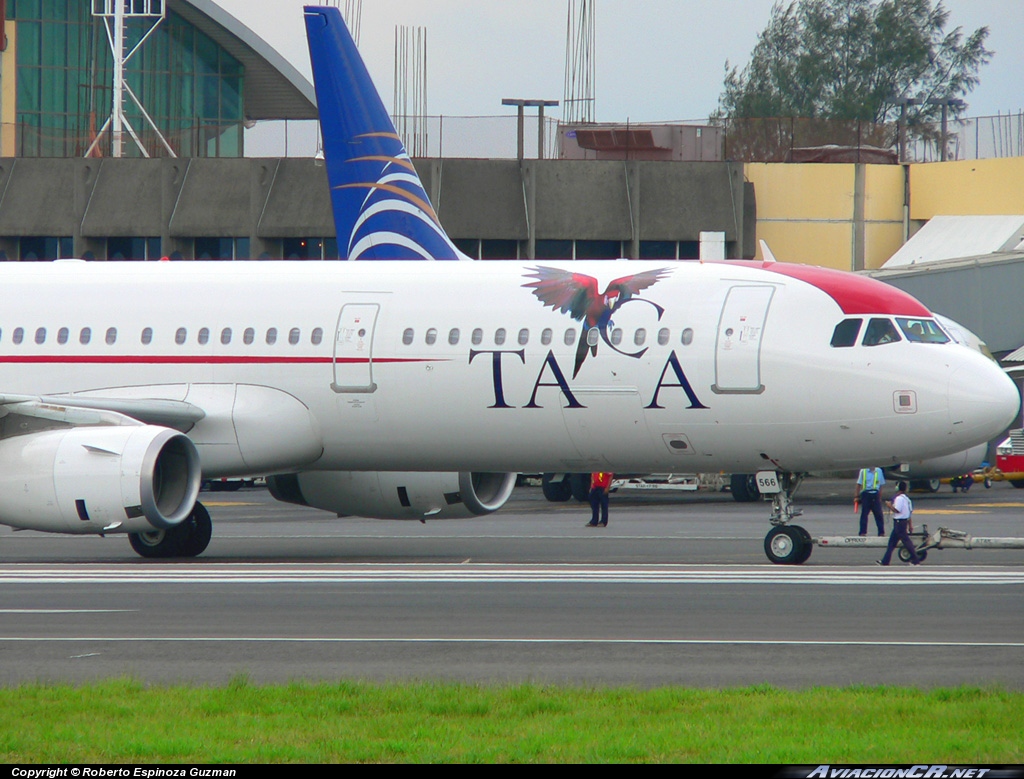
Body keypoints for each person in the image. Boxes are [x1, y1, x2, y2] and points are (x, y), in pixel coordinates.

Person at [877, 481, 922, 566]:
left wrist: (889, 505)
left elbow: (897, 510)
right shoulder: (907, 499)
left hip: (899, 523)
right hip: (902, 522)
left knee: (906, 541)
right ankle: (885, 561)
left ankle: (915, 560)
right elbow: (909, 514)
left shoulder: (899, 499)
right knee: (891, 543)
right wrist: (910, 525)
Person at [855, 466, 886, 536]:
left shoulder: (879, 471)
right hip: (866, 494)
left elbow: (881, 485)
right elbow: (859, 484)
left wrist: (879, 497)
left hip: (875, 494)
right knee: (864, 514)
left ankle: (881, 532)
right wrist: (856, 496)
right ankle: (862, 532)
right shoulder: (863, 471)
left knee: (878, 514)